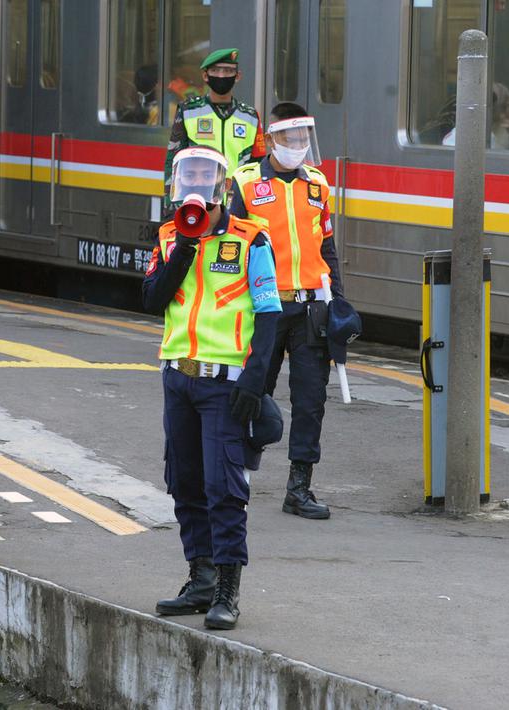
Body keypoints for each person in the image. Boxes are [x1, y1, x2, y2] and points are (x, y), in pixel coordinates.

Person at [143, 147, 281, 630]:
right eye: (189, 173)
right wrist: (185, 242)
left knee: (224, 487)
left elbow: (268, 316)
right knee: (184, 481)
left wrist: (255, 381)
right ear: (176, 182)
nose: (197, 182)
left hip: (225, 383)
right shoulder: (167, 235)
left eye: (206, 174)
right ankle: (198, 576)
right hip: (178, 376)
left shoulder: (251, 239)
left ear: (223, 186)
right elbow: (153, 299)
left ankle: (227, 589)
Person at [230, 102, 340, 520]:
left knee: (311, 401)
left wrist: (340, 301)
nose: (299, 146)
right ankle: (237, 477)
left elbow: (327, 245)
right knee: (252, 392)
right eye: (291, 138)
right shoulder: (245, 183)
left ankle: (299, 488)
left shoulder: (317, 184)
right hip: (265, 308)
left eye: (303, 138)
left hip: (311, 307)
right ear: (272, 139)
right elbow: (232, 245)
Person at [161, 48, 265, 211]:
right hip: (197, 202)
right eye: (216, 71)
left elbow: (258, 164)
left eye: (228, 71)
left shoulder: (250, 116)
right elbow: (173, 159)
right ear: (205, 75)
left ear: (237, 76)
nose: (222, 76)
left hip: (238, 204)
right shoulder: (188, 110)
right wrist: (170, 203)